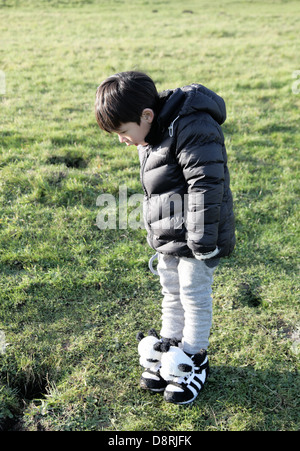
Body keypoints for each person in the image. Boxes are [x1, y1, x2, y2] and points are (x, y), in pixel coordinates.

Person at [95, 71, 235, 404]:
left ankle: (194, 358)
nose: (122, 140)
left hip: (199, 237)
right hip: (170, 234)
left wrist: (201, 242)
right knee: (171, 289)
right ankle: (171, 346)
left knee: (193, 293)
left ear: (146, 116)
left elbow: (204, 184)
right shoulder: (152, 132)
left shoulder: (193, 125)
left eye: (123, 132)